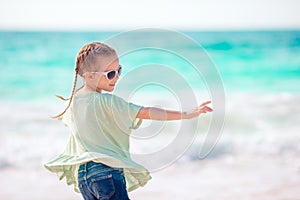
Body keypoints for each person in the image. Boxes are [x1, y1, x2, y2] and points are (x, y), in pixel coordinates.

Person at [44, 42, 213, 200]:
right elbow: (147, 112)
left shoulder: (72, 104)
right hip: (106, 172)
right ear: (88, 76)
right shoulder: (108, 102)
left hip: (84, 178)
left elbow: (66, 118)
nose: (116, 77)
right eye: (110, 74)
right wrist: (186, 113)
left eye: (119, 70)